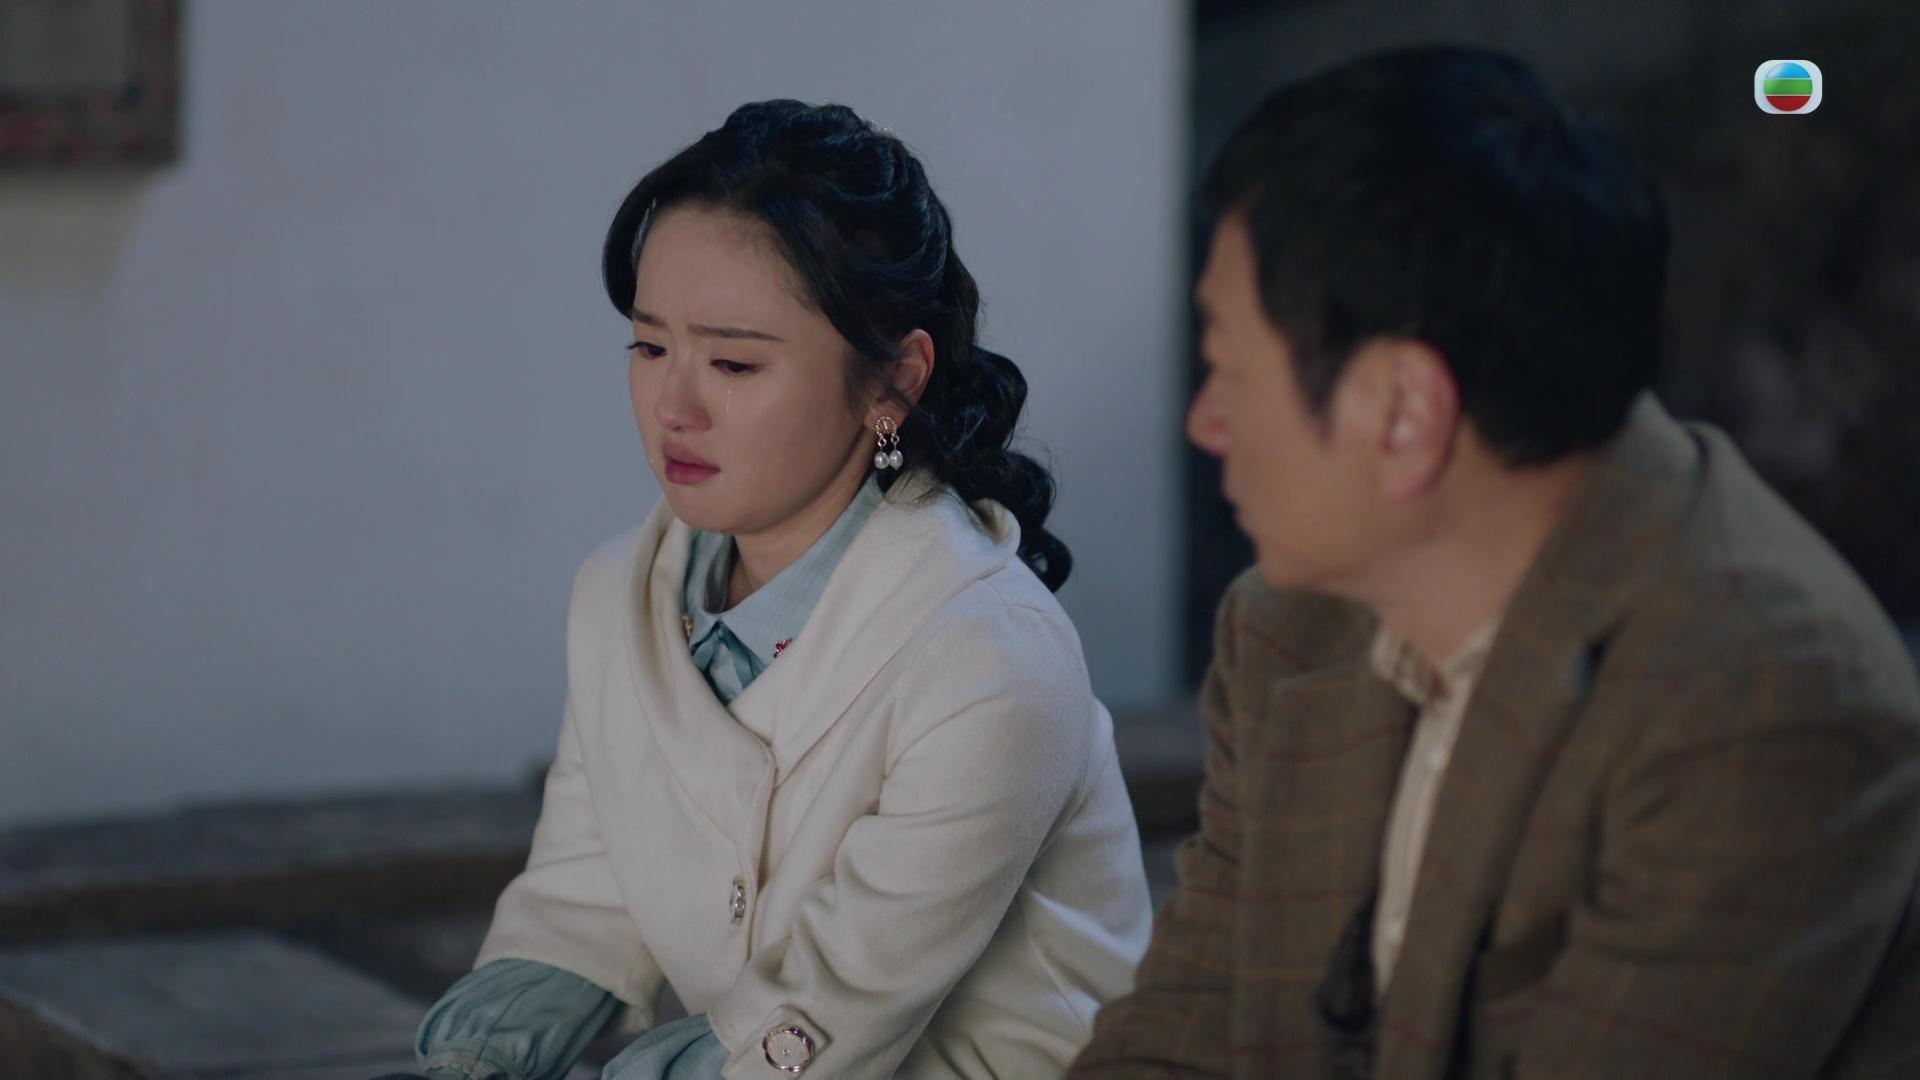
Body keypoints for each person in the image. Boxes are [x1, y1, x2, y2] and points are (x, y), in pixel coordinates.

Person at [1071, 45, 1920, 1078]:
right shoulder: (1291, 623)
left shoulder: (1761, 700)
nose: (1205, 423)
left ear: (1404, 412)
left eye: (1228, 370)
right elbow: (1185, 1029)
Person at [403, 100, 1153, 1080]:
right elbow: (584, 904)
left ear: (893, 382)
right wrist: (470, 1062)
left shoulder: (988, 657)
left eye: (733, 362)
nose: (674, 406)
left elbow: (832, 1005)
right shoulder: (616, 595)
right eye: (649, 347)